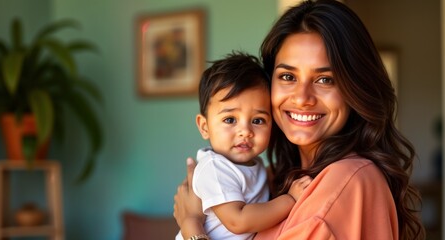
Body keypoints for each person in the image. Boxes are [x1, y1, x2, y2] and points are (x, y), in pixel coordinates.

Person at [174, 0, 425, 239]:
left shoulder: (346, 183)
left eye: (325, 79)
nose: (302, 98)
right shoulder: (274, 176)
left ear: (354, 90)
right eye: (288, 77)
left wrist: (191, 227)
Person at [175, 52, 311, 240]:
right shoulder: (214, 168)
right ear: (204, 127)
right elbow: (238, 221)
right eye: (230, 119)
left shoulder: (255, 166)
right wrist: (290, 200)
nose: (245, 131)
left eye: (258, 120)